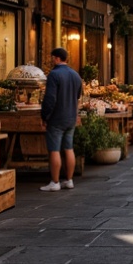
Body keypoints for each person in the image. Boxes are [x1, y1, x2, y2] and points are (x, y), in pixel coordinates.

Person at [39, 47, 82, 192]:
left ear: (57, 58)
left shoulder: (54, 75)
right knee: (69, 148)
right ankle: (69, 180)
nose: (51, 60)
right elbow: (77, 97)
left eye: (52, 58)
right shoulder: (75, 75)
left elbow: (50, 99)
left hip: (57, 118)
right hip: (70, 117)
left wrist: (44, 116)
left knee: (54, 150)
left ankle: (55, 181)